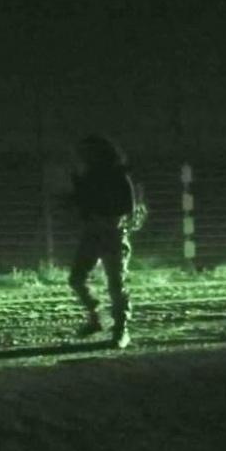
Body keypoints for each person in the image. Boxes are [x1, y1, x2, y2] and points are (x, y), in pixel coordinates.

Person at [66, 134, 140, 349]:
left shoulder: (117, 175)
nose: (82, 157)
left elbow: (128, 206)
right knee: (77, 279)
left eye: (86, 153)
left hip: (111, 232)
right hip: (94, 232)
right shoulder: (89, 176)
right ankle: (98, 318)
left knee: (115, 283)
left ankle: (120, 329)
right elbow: (82, 205)